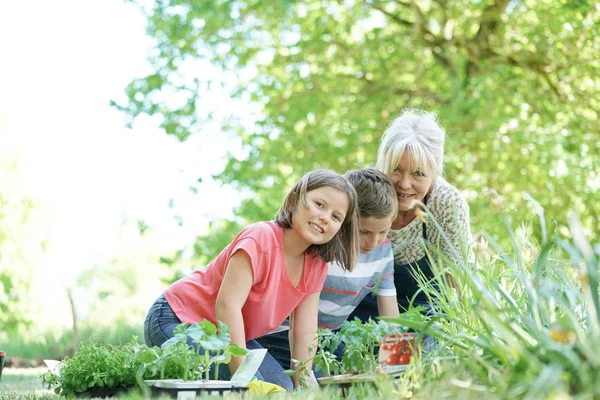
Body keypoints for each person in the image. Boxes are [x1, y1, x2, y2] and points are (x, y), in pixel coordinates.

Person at [143, 169, 360, 391]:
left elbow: (304, 329)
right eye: (319, 204)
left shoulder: (316, 264)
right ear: (294, 200)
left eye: (336, 216)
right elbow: (227, 306)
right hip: (177, 318)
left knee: (281, 387)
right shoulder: (260, 238)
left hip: (223, 330)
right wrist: (244, 380)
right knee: (251, 388)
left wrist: (304, 380)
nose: (325, 217)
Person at [256, 168, 400, 370]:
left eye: (383, 231)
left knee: (356, 376)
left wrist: (396, 367)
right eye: (364, 231)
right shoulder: (321, 245)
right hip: (283, 333)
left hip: (327, 338)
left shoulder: (383, 250)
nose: (374, 241)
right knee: (325, 379)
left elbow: (389, 315)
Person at [351, 109, 474, 319]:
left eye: (418, 173)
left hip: (426, 314)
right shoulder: (364, 192)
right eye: (396, 170)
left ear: (435, 173)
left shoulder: (447, 204)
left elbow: (459, 284)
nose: (405, 184)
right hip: (362, 309)